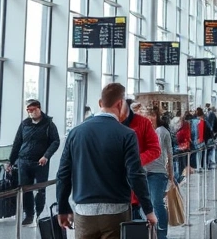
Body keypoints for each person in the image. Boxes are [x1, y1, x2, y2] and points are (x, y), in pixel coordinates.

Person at [55, 83, 156, 238]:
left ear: (100, 103)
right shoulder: (127, 134)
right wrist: (148, 210)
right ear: (120, 103)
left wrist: (62, 208)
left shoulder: (76, 133)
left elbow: (63, 174)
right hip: (116, 212)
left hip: (84, 212)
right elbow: (135, 175)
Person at [6, 99, 60, 226]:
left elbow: (55, 141)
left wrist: (46, 156)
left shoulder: (49, 124)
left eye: (32, 110)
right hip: (24, 161)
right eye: (28, 111)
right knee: (25, 190)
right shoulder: (25, 124)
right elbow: (17, 143)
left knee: (41, 189)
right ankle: (29, 214)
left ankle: (40, 213)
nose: (30, 113)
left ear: (39, 109)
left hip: (40, 162)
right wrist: (11, 161)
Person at [122, 98, 162, 219]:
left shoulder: (142, 123)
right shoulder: (107, 124)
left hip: (133, 190)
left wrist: (136, 161)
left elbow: (155, 149)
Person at [146, 113, 174, 239]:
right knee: (150, 204)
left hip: (157, 172)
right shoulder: (145, 130)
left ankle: (162, 232)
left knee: (156, 202)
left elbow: (169, 154)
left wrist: (171, 175)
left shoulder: (161, 132)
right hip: (145, 172)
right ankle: (154, 232)